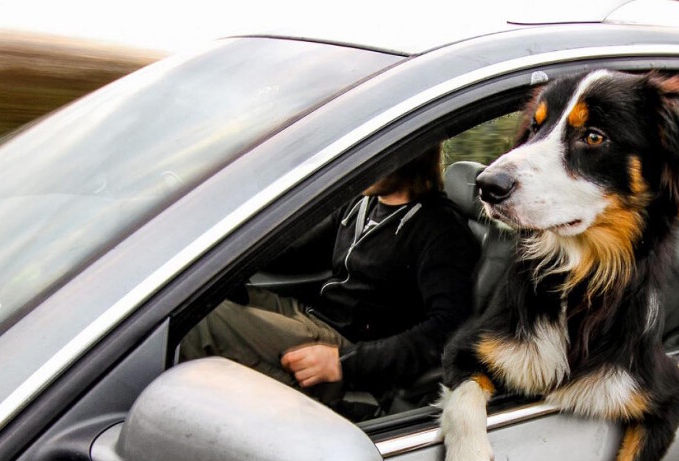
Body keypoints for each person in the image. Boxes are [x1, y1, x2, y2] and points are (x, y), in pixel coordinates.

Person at [179, 144, 480, 409]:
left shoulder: (440, 230)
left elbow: (448, 327)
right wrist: (223, 251)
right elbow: (296, 254)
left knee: (199, 324)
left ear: (406, 152)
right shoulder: (361, 204)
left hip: (346, 348)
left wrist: (344, 364)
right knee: (199, 299)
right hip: (313, 317)